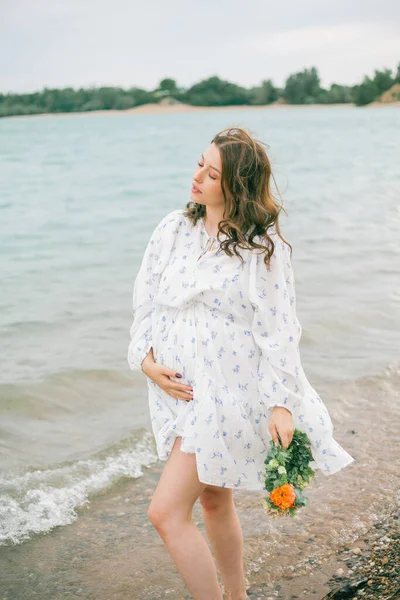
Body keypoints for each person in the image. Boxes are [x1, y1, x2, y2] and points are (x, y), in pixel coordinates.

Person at [127, 127, 354, 600]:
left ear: (237, 187)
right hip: (181, 388)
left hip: (230, 390)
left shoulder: (261, 248)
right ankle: (237, 594)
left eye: (213, 174)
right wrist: (146, 362)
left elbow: (279, 330)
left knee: (165, 513)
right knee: (213, 497)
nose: (197, 178)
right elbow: (145, 303)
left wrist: (281, 404)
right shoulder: (173, 229)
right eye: (199, 164)